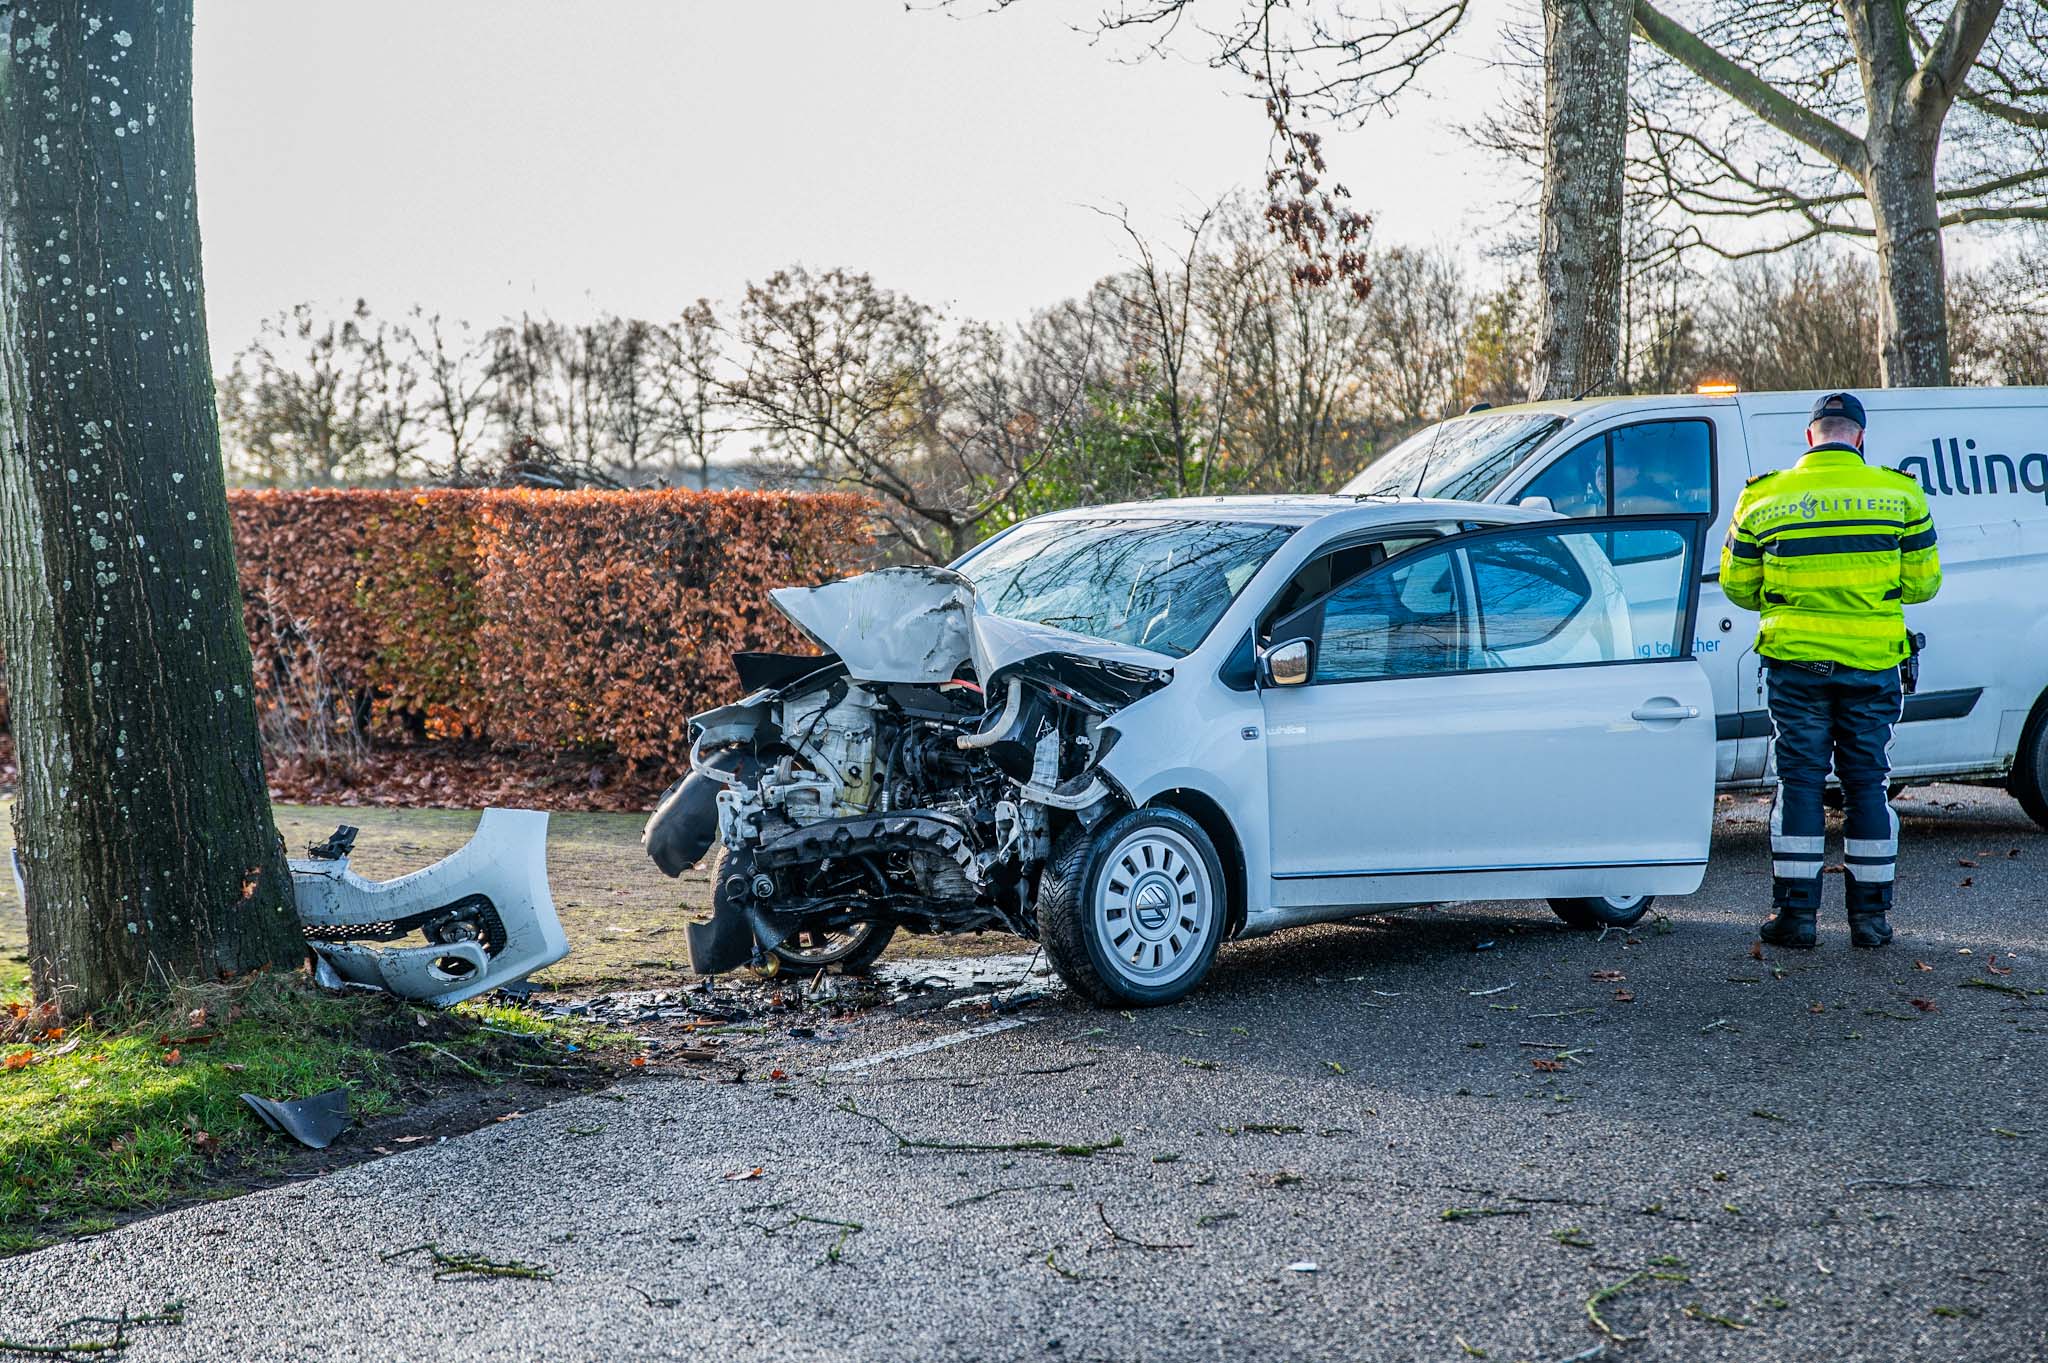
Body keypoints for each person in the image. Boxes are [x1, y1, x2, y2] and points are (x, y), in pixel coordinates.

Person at [1720, 392, 1943, 948]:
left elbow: (1736, 586)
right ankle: (1870, 921)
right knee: (1868, 782)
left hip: (1797, 665)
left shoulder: (1763, 497)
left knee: (1799, 780)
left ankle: (1796, 918)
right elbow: (1923, 584)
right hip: (1873, 665)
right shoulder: (1900, 495)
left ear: (1810, 436)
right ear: (1859, 438)